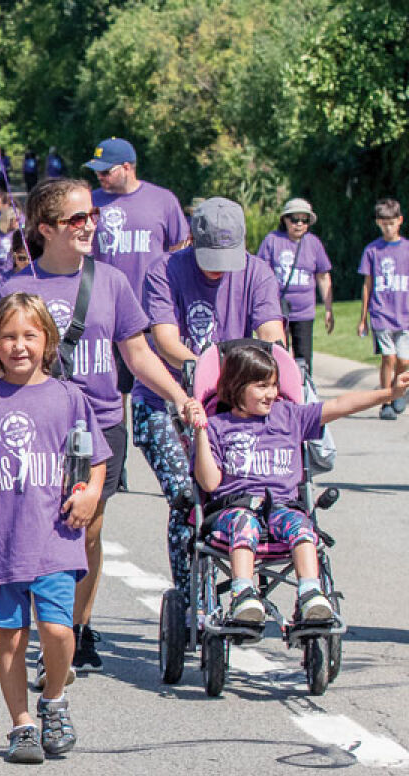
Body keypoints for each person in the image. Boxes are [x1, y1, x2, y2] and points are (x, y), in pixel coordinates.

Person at [0, 178, 196, 678]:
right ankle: (46, 633)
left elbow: (138, 353)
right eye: (76, 219)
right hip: (33, 428)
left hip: (98, 425)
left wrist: (179, 396)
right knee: (34, 528)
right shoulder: (14, 288)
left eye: (92, 217)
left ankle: (74, 632)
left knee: (86, 531)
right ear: (44, 228)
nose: (89, 226)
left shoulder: (111, 282)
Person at [0, 292, 108, 763]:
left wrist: (91, 494)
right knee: (10, 636)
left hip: (57, 537)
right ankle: (22, 724)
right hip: (4, 542)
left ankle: (53, 699)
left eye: (30, 335)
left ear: (48, 340)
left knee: (56, 629)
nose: (19, 346)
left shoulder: (70, 398)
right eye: (8, 336)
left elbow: (96, 463)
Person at [135, 197, 285, 612]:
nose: (219, 266)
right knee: (187, 496)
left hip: (227, 402)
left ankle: (242, 586)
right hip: (165, 399)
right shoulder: (163, 271)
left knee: (243, 492)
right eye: (210, 256)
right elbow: (164, 340)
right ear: (191, 240)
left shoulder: (257, 273)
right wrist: (209, 368)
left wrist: (274, 359)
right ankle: (191, 603)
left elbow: (271, 328)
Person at [190, 344, 409, 622]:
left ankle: (310, 593)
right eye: (261, 386)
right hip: (234, 511)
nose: (271, 394)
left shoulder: (289, 416)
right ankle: (243, 593)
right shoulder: (218, 426)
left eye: (273, 385)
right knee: (244, 523)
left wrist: (390, 394)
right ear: (235, 387)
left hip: (282, 508)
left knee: (302, 526)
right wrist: (200, 434)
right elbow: (209, 483)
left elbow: (341, 405)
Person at [85, 137, 189, 407]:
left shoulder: (162, 200)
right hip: (106, 307)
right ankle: (116, 446)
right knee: (112, 389)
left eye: (106, 171)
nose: (100, 177)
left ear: (128, 167)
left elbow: (179, 248)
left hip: (152, 310)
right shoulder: (91, 203)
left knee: (157, 388)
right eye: (97, 171)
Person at [255, 198, 333, 373]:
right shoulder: (272, 240)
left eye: (304, 220)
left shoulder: (313, 243)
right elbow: (261, 274)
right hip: (277, 309)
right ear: (285, 220)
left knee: (304, 357)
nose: (299, 224)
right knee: (278, 354)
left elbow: (323, 276)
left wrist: (328, 309)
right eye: (294, 219)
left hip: (304, 311)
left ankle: (304, 393)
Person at [357, 198, 409, 420]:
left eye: (392, 222)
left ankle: (399, 391)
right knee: (388, 357)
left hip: (404, 314)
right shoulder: (373, 251)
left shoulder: (407, 249)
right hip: (381, 313)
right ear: (378, 223)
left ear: (400, 221)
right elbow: (367, 285)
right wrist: (363, 318)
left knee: (404, 361)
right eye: (384, 222)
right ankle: (386, 400)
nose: (388, 227)